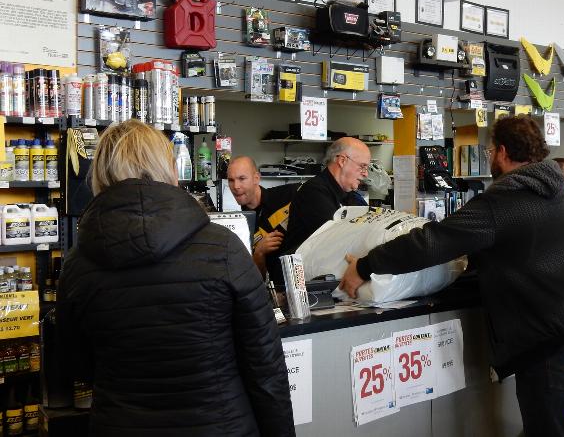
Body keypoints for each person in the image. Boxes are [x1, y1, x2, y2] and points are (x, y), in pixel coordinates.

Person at [341, 116, 564, 437]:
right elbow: (522, 248)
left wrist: (364, 266)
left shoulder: (502, 200)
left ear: (501, 152)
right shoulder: (559, 193)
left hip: (555, 341)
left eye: (489, 150)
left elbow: (432, 242)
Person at [56, 120, 294, 437]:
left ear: (100, 173)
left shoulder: (77, 264)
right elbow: (266, 367)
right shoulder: (223, 248)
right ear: (168, 167)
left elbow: (77, 364)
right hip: (220, 425)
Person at [279, 137, 370, 279]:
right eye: (362, 166)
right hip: (305, 282)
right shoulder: (314, 192)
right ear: (342, 161)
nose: (366, 174)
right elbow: (340, 238)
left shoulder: (352, 196)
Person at [227, 156, 299, 277]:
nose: (236, 186)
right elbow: (255, 279)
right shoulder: (240, 225)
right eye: (231, 180)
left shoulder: (289, 194)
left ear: (256, 178)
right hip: (274, 288)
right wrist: (259, 253)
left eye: (242, 178)